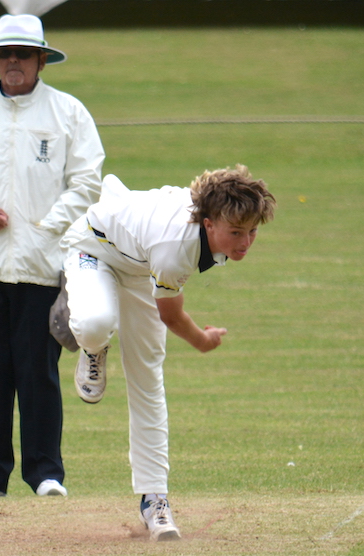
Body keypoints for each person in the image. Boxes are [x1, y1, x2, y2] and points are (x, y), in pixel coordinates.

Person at [0, 14, 105, 498]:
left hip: (44, 266)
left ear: (41, 60)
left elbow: (88, 182)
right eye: (5, 54)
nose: (13, 63)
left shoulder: (68, 112)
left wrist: (48, 227)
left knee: (38, 373)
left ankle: (46, 473)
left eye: (23, 55)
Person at [61, 165, 276, 540]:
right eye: (236, 232)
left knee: (147, 379)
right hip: (94, 248)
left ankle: (154, 501)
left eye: (253, 231)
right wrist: (202, 341)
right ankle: (91, 345)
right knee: (96, 322)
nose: (245, 242)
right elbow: (171, 315)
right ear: (208, 224)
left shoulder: (198, 228)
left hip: (142, 267)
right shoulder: (176, 248)